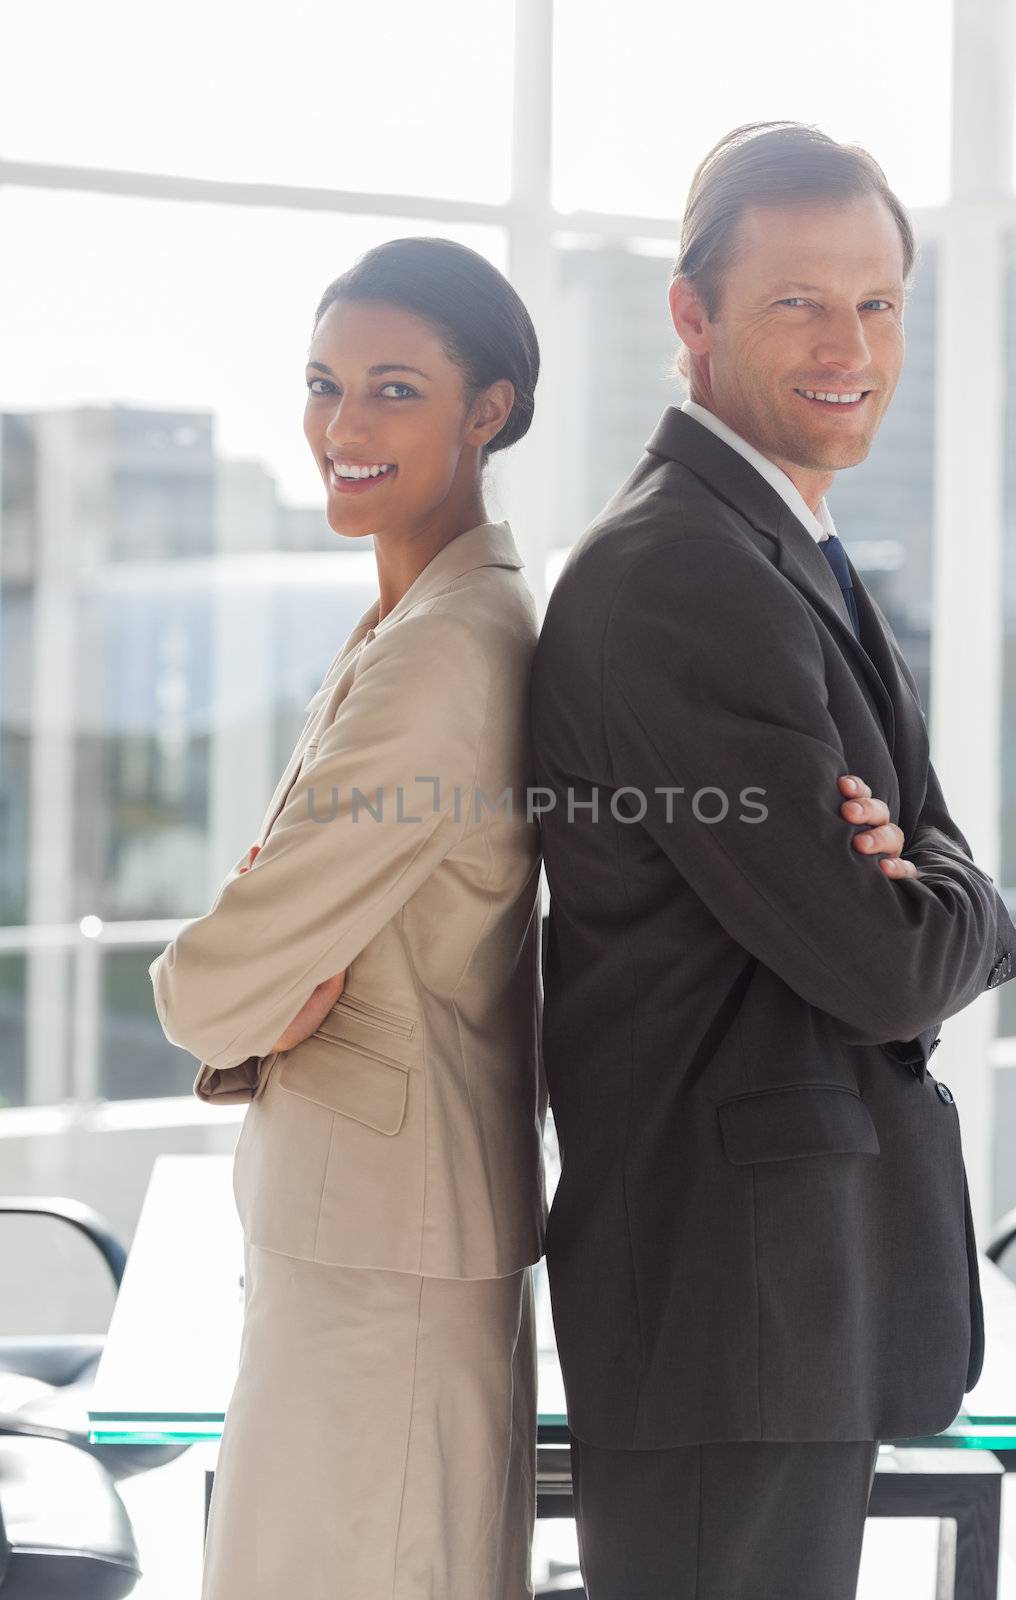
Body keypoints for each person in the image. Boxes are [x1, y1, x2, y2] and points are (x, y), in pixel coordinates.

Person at [529, 121, 1016, 1600]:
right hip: (726, 1299)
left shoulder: (779, 545)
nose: (852, 343)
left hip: (777, 1296)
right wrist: (965, 894)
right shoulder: (683, 571)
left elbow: (914, 840)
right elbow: (881, 961)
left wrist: (925, 863)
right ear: (692, 317)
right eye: (800, 300)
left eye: (879, 301)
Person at [149, 236, 547, 1599]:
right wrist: (267, 970)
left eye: (393, 388)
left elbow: (215, 982)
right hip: (373, 1228)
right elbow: (269, 954)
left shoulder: (446, 652)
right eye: (325, 385)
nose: (343, 426)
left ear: (485, 411)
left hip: (392, 1249)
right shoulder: (414, 620)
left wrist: (244, 980)